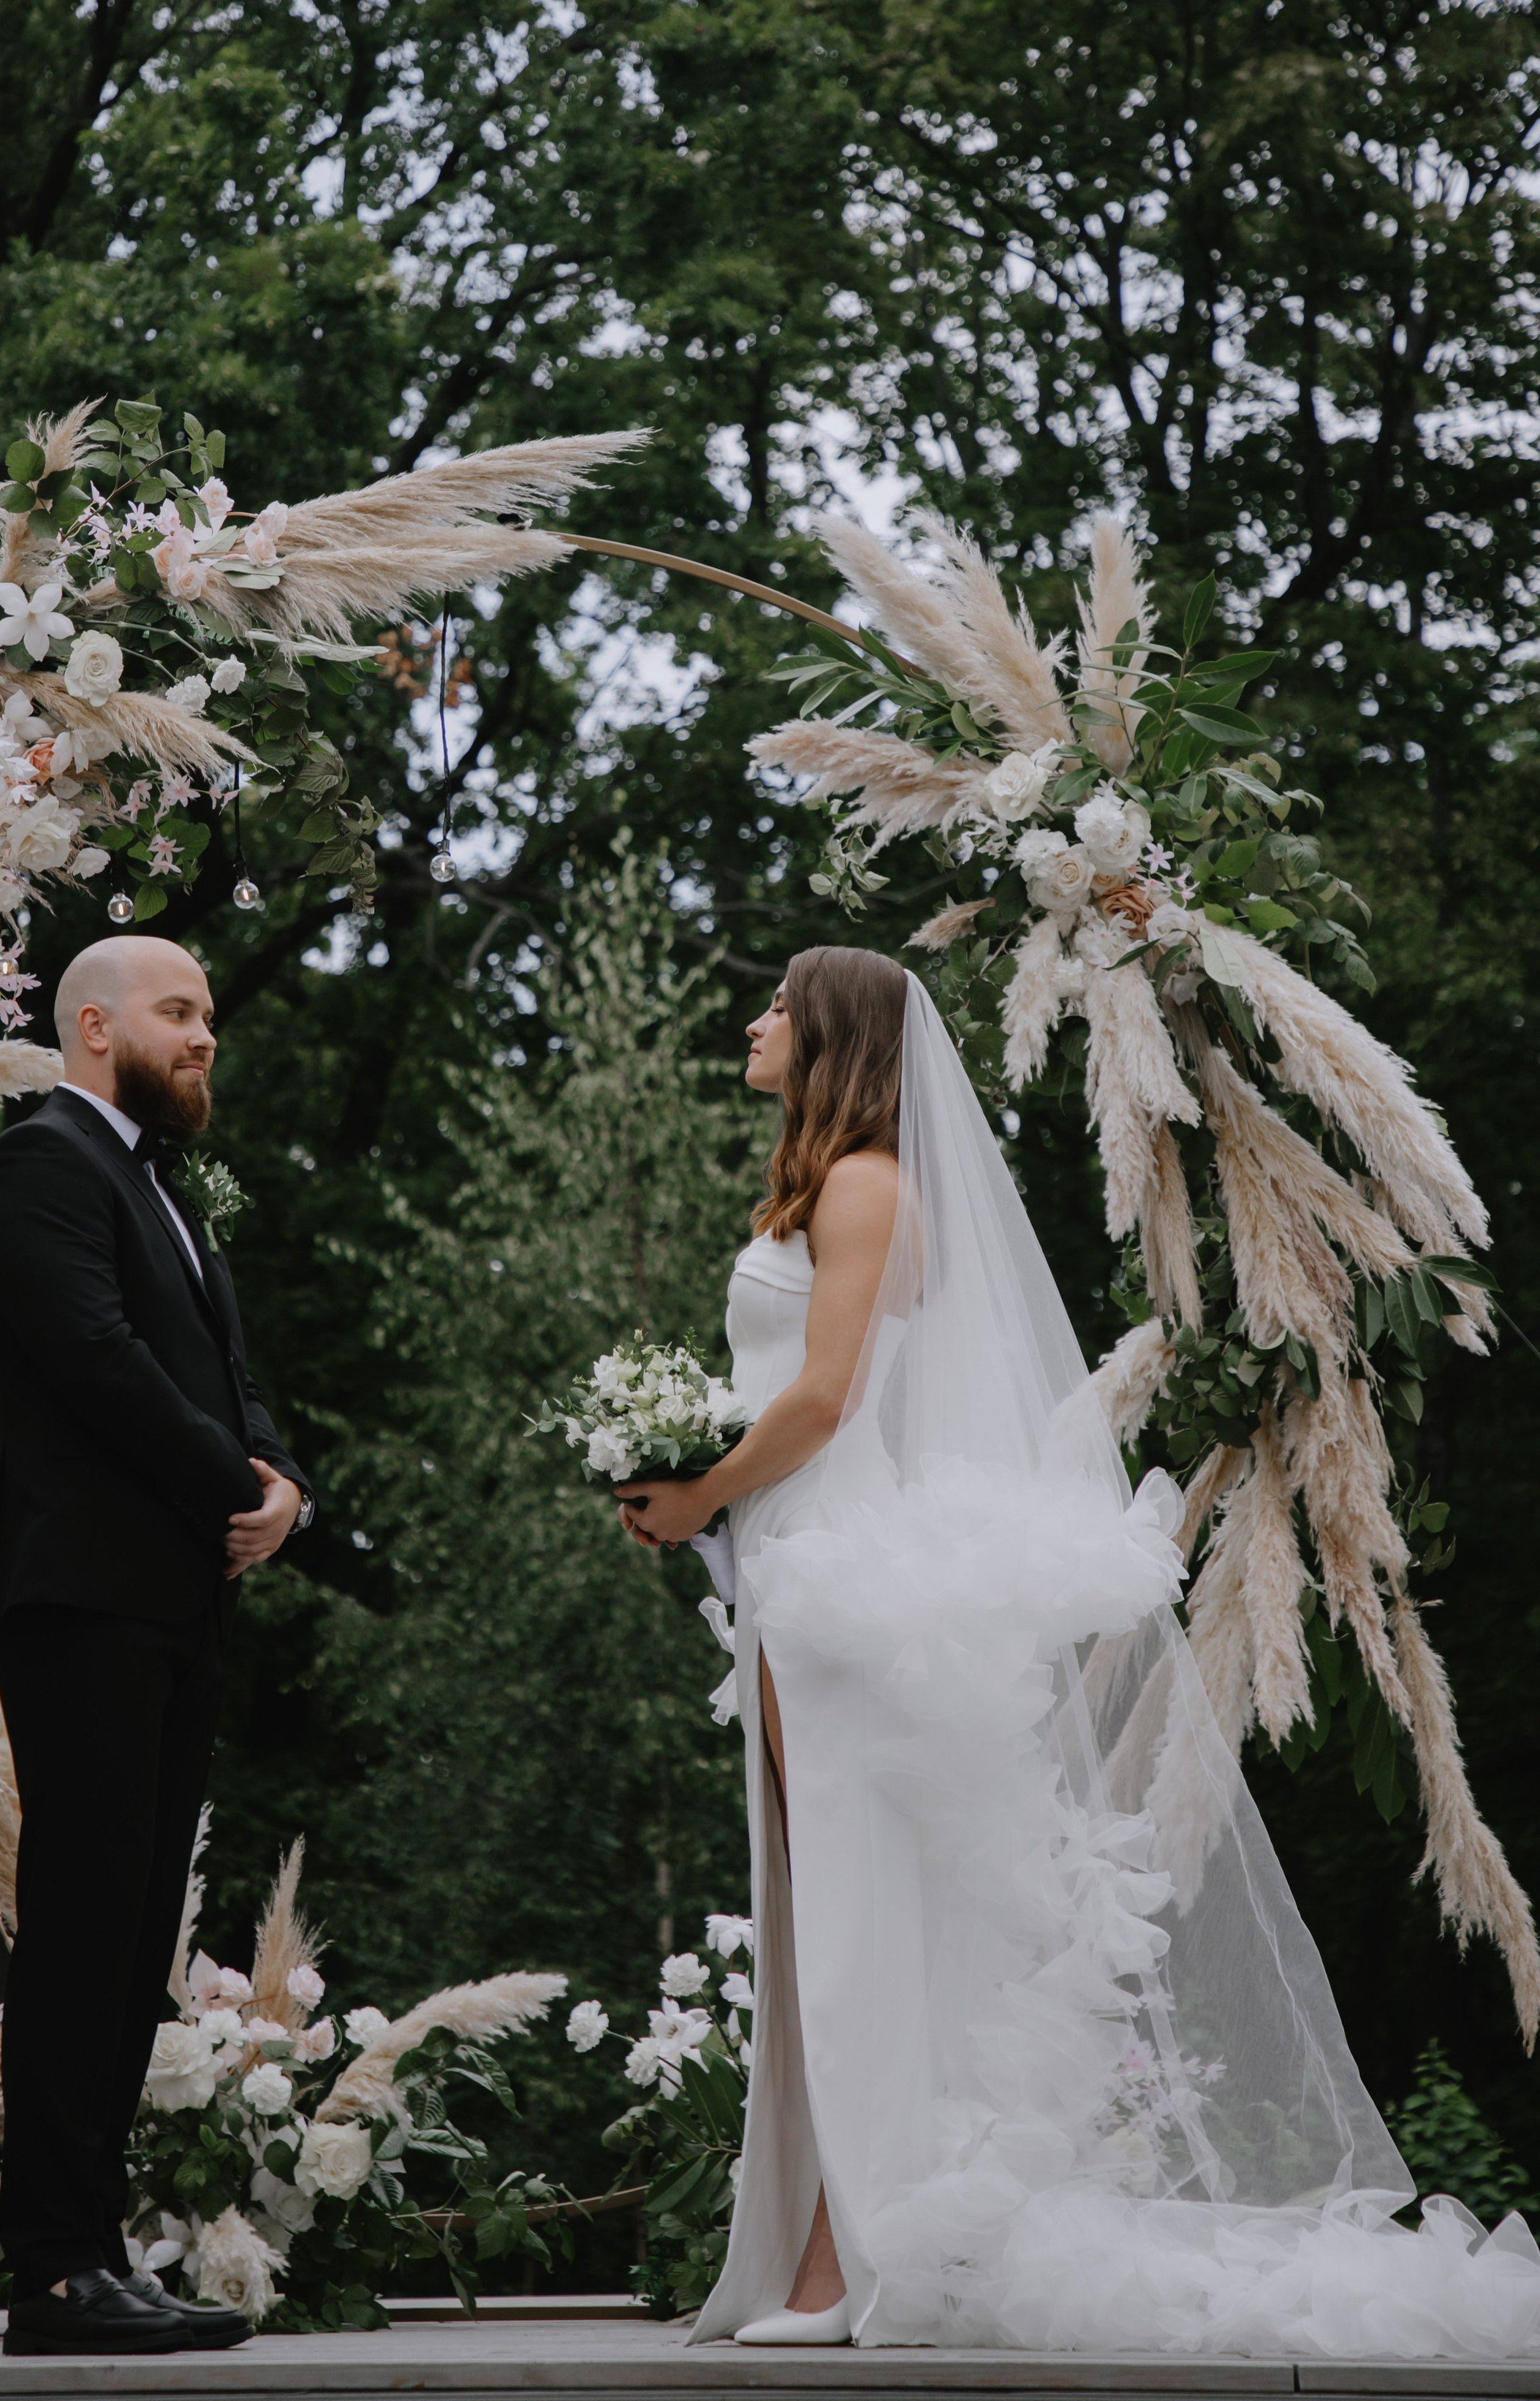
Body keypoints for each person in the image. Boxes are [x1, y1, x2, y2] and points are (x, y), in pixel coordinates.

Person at [617, 947, 1540, 2360]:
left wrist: (698, 1490)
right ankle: (835, 2248)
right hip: (803, 1573)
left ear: (836, 1039)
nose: (755, 1022)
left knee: (849, 1920)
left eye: (781, 1007)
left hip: (837, 1579)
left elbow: (825, 1396)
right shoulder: (834, 1187)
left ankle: (847, 2262)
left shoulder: (865, 1186)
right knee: (831, 1916)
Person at [0, 935, 314, 2357]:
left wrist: (279, 1478)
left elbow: (222, 1373)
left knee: (130, 1943)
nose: (204, 1035)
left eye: (210, 1014)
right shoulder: (39, 1164)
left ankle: (93, 2253)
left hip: (169, 1601)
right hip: (84, 1597)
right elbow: (97, 1358)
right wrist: (233, 1490)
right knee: (85, 1932)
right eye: (178, 1013)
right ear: (94, 1026)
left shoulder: (156, 1185)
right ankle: (52, 2267)